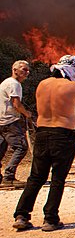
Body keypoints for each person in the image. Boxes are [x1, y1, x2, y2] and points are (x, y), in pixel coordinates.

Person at [12, 55, 75, 231]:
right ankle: (50, 219)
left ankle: (21, 215)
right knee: (58, 178)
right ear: (74, 71)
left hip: (42, 134)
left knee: (36, 177)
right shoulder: (74, 87)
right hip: (63, 135)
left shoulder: (43, 84)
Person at [0, 60, 33, 188]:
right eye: (24, 70)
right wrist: (27, 114)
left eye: (28, 70)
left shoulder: (6, 82)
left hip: (1, 121)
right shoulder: (15, 84)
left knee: (1, 149)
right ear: (15, 70)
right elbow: (16, 104)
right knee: (21, 147)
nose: (27, 72)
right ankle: (9, 177)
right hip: (9, 122)